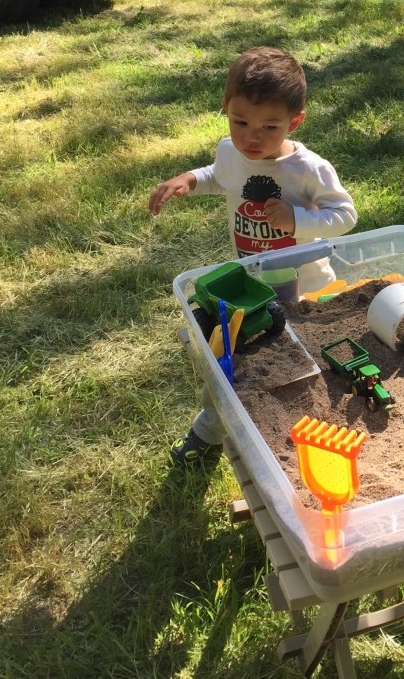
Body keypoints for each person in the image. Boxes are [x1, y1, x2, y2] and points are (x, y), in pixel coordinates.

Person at [149, 46, 358, 467]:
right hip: (253, 288)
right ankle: (208, 430)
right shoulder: (231, 151)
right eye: (240, 121)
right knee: (234, 365)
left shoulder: (308, 169)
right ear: (225, 108)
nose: (251, 137)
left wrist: (297, 219)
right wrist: (192, 179)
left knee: (307, 365)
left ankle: (304, 435)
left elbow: (345, 215)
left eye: (269, 127)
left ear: (294, 122)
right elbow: (221, 176)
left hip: (307, 290)